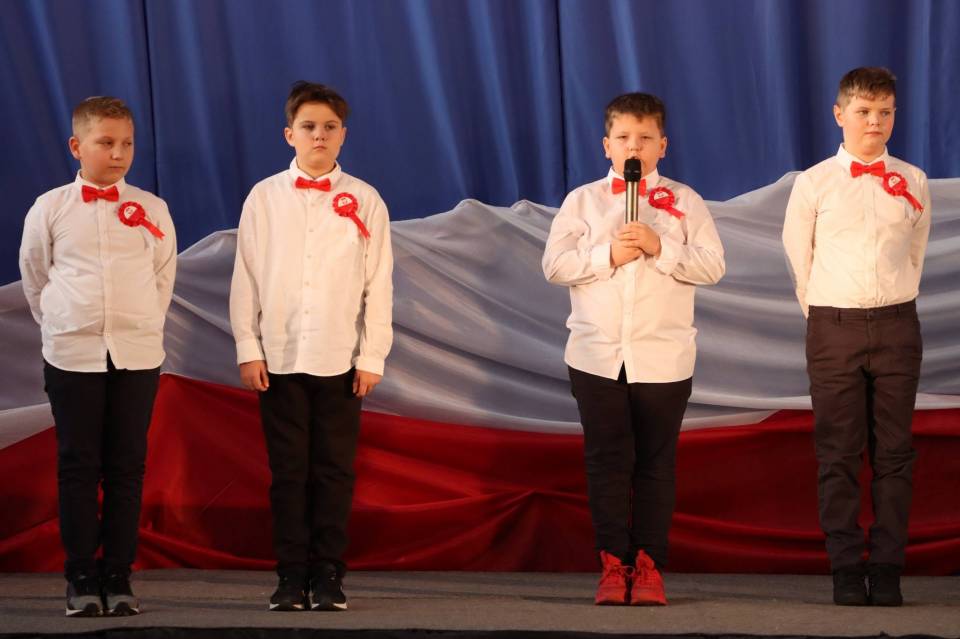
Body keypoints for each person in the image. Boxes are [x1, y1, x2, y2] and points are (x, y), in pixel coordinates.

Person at [542, 92, 724, 605]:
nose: (634, 147)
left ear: (662, 145)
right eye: (623, 137)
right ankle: (612, 562)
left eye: (645, 138)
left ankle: (648, 565)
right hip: (596, 355)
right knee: (606, 460)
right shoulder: (582, 201)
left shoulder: (685, 201)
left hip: (664, 357)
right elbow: (554, 266)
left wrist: (660, 246)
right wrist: (608, 255)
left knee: (655, 463)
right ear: (607, 145)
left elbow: (713, 265)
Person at [229, 81, 393, 611]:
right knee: (288, 472)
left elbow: (379, 284)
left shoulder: (365, 199)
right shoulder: (264, 197)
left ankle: (327, 575)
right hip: (278, 358)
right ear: (289, 135)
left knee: (334, 471)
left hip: (339, 360)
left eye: (329, 127)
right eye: (308, 127)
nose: (318, 135)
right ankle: (289, 575)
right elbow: (246, 276)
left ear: (343, 135)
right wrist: (248, 346)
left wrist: (371, 356)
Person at [19, 96, 177, 616]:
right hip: (73, 355)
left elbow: (162, 279)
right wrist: (65, 324)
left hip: (136, 355)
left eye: (127, 143)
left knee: (127, 467)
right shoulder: (50, 208)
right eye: (106, 142)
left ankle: (119, 576)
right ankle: (82, 577)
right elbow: (36, 278)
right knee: (78, 466)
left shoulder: (152, 209)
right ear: (77, 146)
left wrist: (138, 324)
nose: (118, 153)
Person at [783, 67, 931, 607]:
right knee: (839, 453)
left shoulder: (912, 180)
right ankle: (845, 567)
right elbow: (800, 261)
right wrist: (828, 314)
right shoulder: (814, 183)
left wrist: (891, 305)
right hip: (833, 326)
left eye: (885, 112)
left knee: (894, 452)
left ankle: (887, 568)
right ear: (839, 114)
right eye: (864, 112)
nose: (875, 122)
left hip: (897, 325)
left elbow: (914, 253)